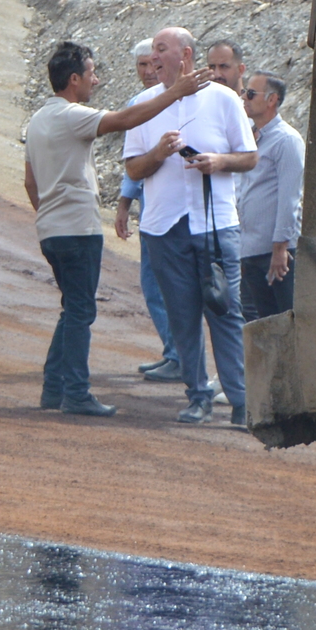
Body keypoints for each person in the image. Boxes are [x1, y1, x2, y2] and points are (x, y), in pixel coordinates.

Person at [23, 41, 205, 416]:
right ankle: (75, 392)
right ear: (74, 80)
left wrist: (48, 215)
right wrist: (175, 93)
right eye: (91, 74)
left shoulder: (39, 119)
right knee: (80, 312)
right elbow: (124, 120)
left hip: (52, 228)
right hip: (76, 228)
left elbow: (30, 183)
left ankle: (54, 389)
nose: (96, 80)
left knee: (71, 308)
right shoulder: (72, 116)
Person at [121, 25, 257, 425]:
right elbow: (132, 167)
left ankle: (241, 401)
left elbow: (248, 157)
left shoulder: (224, 100)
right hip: (164, 227)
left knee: (226, 313)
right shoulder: (144, 105)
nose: (153, 57)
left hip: (215, 227)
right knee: (182, 316)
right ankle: (197, 395)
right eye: (152, 50)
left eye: (161, 49)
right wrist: (159, 154)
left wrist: (219, 162)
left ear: (186, 55)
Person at [113, 38, 183, 384]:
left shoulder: (178, 103)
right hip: (152, 209)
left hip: (178, 215)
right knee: (154, 284)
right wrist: (125, 204)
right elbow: (134, 165)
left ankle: (180, 356)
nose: (148, 71)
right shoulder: (140, 105)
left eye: (154, 63)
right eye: (142, 65)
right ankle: (175, 352)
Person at [237, 73, 303, 322]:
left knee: (285, 322)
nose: (245, 98)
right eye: (244, 92)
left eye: (251, 93)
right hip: (252, 250)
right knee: (261, 325)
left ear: (272, 100)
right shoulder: (249, 137)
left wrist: (280, 249)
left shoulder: (287, 140)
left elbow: (290, 198)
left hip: (275, 254)